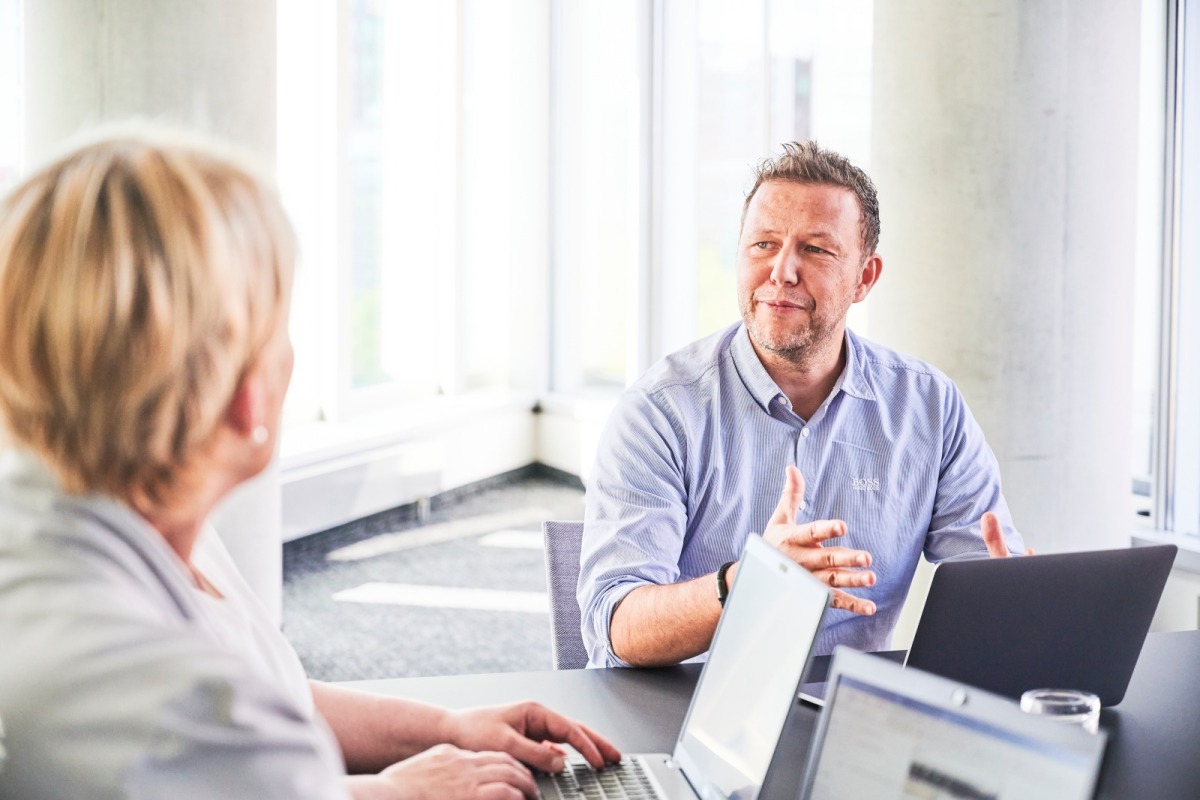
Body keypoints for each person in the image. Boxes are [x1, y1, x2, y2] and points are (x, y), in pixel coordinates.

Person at [0, 129, 620, 799]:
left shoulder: (95, 510)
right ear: (248, 397)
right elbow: (237, 743)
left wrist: (446, 728)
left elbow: (271, 697)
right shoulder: (183, 710)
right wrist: (396, 794)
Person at [579, 141, 1029, 669]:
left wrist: (1018, 599)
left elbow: (988, 579)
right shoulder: (660, 411)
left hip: (849, 717)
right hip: (684, 712)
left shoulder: (929, 408)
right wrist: (743, 582)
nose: (782, 271)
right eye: (764, 244)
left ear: (864, 277)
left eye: (815, 249)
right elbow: (617, 626)